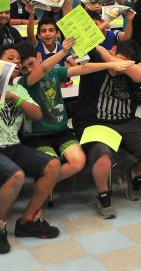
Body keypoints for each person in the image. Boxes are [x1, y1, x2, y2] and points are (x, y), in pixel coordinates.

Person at [0, 43, 61, 254]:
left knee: (53, 165)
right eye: (11, 58)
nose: (16, 62)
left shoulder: (19, 88)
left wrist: (14, 98)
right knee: (16, 175)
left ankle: (27, 221)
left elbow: (37, 114)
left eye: (18, 59)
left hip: (13, 145)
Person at [73, 41, 141, 219]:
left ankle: (135, 174)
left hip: (126, 122)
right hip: (94, 123)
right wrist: (108, 59)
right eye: (119, 61)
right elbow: (72, 28)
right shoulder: (95, 62)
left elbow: (140, 75)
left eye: (125, 65)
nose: (119, 68)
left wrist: (111, 58)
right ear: (113, 50)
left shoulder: (132, 71)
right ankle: (104, 196)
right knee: (102, 155)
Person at [17, 39, 91, 185]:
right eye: (24, 68)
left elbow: (83, 69)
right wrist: (63, 51)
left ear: (39, 57)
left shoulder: (55, 72)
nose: (30, 70)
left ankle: (44, 184)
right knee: (52, 164)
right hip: (36, 136)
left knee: (78, 161)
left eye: (31, 63)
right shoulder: (24, 82)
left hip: (61, 131)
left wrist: (112, 64)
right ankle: (43, 187)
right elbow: (43, 68)